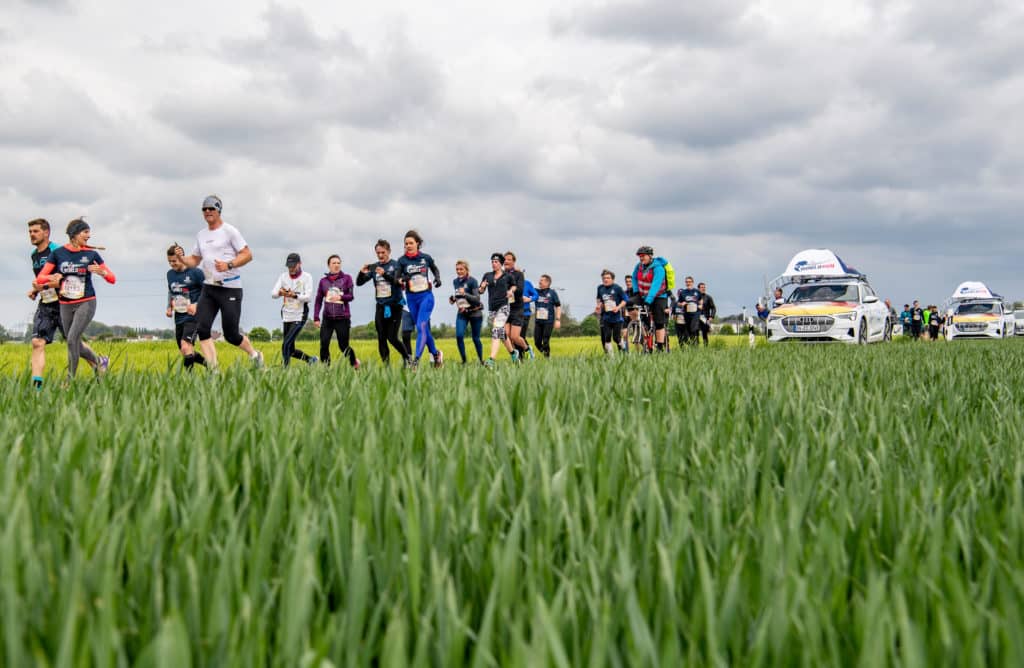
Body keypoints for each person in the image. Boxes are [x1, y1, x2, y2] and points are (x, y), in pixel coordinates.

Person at [176, 195, 263, 369]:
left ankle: (255, 355)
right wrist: (181, 259)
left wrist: (229, 264)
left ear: (218, 210)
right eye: (204, 209)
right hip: (209, 289)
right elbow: (194, 260)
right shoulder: (201, 235)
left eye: (211, 208)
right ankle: (214, 371)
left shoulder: (229, 231)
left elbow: (248, 255)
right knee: (202, 329)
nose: (207, 211)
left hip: (230, 288)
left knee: (231, 334)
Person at [27, 218, 105, 388]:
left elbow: (66, 278)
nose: (32, 235)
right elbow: (43, 278)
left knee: (74, 342)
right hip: (46, 303)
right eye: (30, 232)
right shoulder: (34, 255)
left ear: (46, 232)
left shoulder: (57, 251)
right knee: (37, 342)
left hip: (65, 302)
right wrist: (35, 290)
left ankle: (99, 364)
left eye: (36, 231)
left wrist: (46, 284)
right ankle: (36, 387)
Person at [356, 239, 409, 367]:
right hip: (380, 306)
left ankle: (407, 359)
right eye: (378, 253)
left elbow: (397, 282)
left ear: (389, 251)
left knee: (392, 337)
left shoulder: (396, 265)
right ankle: (386, 367)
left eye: (383, 252)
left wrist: (384, 274)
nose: (380, 255)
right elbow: (359, 283)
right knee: (381, 337)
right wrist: (361, 272)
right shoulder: (374, 267)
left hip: (395, 306)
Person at [397, 230, 444, 369]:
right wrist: (402, 279)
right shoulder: (402, 261)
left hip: (426, 297)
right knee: (423, 329)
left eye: (411, 243)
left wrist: (438, 278)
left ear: (417, 243)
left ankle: (415, 361)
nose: (408, 246)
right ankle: (436, 354)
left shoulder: (426, 258)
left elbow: (435, 269)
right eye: (406, 244)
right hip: (411, 298)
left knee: (421, 326)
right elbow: (396, 279)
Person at [165, 244, 207, 371]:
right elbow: (171, 292)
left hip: (194, 316)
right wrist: (169, 307)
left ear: (181, 257)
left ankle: (189, 381)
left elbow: (208, 291)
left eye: (174, 261)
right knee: (186, 351)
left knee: (185, 346)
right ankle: (209, 364)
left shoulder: (196, 272)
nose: (172, 264)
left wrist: (196, 304)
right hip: (179, 316)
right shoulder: (170, 274)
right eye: (169, 261)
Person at [313, 254, 358, 368]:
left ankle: (354, 364)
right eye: (334, 263)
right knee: (324, 344)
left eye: (338, 263)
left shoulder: (347, 278)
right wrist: (316, 317)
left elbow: (351, 296)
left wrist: (340, 297)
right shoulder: (323, 281)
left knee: (343, 346)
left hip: (342, 318)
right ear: (329, 265)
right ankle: (326, 369)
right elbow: (318, 299)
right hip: (327, 318)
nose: (336, 265)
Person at [270, 253, 316, 366]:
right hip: (286, 314)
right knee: (290, 350)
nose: (291, 269)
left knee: (285, 344)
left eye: (293, 266)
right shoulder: (283, 277)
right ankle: (311, 360)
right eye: (289, 266)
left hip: (300, 315)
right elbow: (273, 294)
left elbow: (308, 297)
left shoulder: (307, 277)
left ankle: (285, 371)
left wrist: (294, 295)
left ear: (299, 264)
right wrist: (281, 293)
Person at [479, 253, 516, 367]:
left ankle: (491, 360)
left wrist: (511, 291)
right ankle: (514, 354)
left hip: (504, 307)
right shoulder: (487, 275)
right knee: (501, 333)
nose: (494, 264)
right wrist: (482, 287)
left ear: (501, 263)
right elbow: (480, 291)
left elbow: (514, 286)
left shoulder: (507, 276)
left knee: (496, 331)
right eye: (492, 262)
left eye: (496, 262)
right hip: (492, 308)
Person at [630, 246, 670, 351]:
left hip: (658, 296)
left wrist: (648, 300)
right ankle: (638, 326)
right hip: (642, 294)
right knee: (629, 304)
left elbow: (655, 286)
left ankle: (660, 347)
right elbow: (634, 277)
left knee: (659, 322)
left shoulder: (659, 268)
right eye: (640, 256)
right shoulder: (638, 266)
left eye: (643, 256)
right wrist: (636, 292)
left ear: (650, 256)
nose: (641, 258)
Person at [450, 260, 484, 364]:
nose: (459, 271)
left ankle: (481, 360)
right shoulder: (455, 281)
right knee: (459, 336)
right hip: (462, 313)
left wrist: (465, 294)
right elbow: (458, 296)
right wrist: (453, 299)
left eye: (461, 269)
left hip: (475, 313)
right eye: (457, 269)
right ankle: (464, 361)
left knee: (475, 338)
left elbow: (477, 299)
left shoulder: (472, 281)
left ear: (466, 270)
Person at [503, 252, 531, 360]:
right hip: (505, 308)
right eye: (505, 259)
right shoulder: (501, 275)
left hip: (517, 308)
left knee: (515, 336)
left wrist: (510, 291)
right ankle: (518, 359)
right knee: (507, 336)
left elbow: (519, 290)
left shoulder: (519, 274)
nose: (506, 261)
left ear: (513, 261)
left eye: (509, 259)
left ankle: (527, 349)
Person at [596, 270, 627, 355]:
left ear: (612, 279)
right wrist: (599, 306)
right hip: (606, 318)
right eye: (604, 278)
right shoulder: (600, 288)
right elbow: (599, 299)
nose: (605, 280)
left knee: (616, 338)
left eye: (608, 278)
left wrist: (618, 307)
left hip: (617, 318)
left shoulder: (617, 288)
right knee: (607, 338)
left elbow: (625, 300)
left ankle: (625, 351)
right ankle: (611, 359)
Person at [532, 274, 561, 357]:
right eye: (539, 280)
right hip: (538, 321)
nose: (539, 282)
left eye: (541, 280)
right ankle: (545, 354)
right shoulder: (536, 291)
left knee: (545, 341)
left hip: (548, 321)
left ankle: (547, 358)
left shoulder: (552, 293)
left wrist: (558, 319)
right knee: (537, 342)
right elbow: (526, 289)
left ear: (547, 282)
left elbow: (558, 306)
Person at [676, 275, 701, 346]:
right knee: (689, 331)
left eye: (689, 282)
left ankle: (695, 344)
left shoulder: (697, 292)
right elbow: (679, 302)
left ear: (692, 282)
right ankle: (694, 345)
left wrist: (700, 305)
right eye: (686, 282)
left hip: (695, 313)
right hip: (686, 313)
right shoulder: (683, 292)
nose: (688, 283)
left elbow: (701, 300)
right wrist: (682, 304)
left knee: (693, 328)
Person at [698, 281, 717, 346]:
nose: (703, 289)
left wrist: (711, 316)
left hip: (705, 318)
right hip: (696, 317)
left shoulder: (708, 297)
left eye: (704, 287)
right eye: (702, 287)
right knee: (695, 333)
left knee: (705, 334)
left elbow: (713, 308)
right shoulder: (695, 297)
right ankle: (695, 348)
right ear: (698, 288)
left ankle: (706, 348)